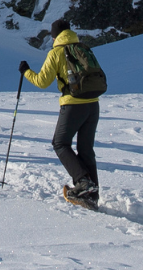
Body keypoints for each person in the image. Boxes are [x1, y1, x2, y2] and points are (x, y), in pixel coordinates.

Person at [20, 17, 101, 208]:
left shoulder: (56, 52)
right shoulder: (83, 48)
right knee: (86, 149)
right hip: (93, 104)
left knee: (60, 143)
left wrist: (26, 72)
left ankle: (83, 182)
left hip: (73, 104)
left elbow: (42, 82)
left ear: (55, 35)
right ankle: (92, 193)